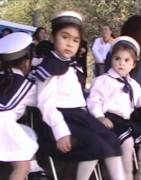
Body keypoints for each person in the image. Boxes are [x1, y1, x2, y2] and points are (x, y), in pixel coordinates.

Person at [32, 11, 125, 180]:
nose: (70, 44)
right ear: (53, 37)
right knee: (94, 144)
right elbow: (45, 104)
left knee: (110, 139)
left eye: (75, 40)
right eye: (64, 37)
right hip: (61, 119)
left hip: (80, 117)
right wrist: (60, 131)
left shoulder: (70, 64)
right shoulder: (51, 66)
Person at [87, 36, 141, 180]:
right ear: (111, 59)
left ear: (133, 64)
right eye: (117, 59)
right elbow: (94, 101)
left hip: (126, 120)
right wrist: (99, 116)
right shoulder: (103, 80)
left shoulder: (132, 83)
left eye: (126, 60)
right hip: (109, 119)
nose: (121, 63)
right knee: (127, 142)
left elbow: (140, 97)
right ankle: (126, 174)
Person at [0, 32, 48, 180]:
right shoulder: (24, 84)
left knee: (25, 133)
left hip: (7, 125)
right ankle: (33, 169)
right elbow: (42, 100)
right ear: (27, 62)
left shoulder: (3, 75)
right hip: (3, 126)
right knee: (22, 166)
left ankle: (35, 169)